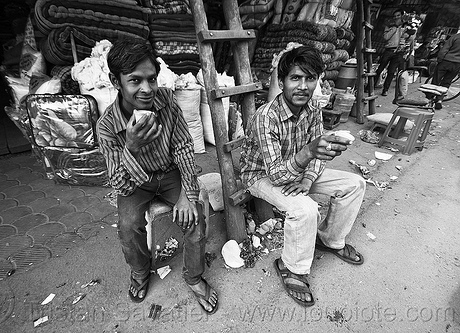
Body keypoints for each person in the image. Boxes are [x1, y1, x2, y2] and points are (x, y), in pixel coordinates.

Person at [96, 39, 218, 314]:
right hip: (135, 183)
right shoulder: (107, 126)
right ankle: (140, 272)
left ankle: (194, 276)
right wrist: (132, 148)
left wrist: (188, 193)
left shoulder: (166, 101)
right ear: (116, 82)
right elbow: (120, 184)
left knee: (194, 218)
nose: (147, 89)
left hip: (170, 172)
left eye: (151, 79)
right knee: (128, 225)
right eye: (135, 81)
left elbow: (184, 147)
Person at [240, 46, 366, 307]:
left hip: (298, 170)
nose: (303, 86)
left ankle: (330, 239)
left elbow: (317, 155)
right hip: (260, 175)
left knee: (355, 183)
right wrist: (308, 151)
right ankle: (291, 268)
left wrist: (308, 178)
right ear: (282, 81)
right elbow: (275, 174)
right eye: (295, 78)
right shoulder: (266, 117)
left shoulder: (312, 110)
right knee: (306, 210)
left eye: (310, 79)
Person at [374, 9, 408, 96]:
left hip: (398, 52)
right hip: (389, 50)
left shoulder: (406, 28)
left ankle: (385, 90)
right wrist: (394, 28)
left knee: (391, 72)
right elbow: (386, 37)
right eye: (395, 16)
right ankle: (371, 86)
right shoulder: (389, 26)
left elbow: (408, 39)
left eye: (398, 15)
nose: (396, 17)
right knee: (380, 69)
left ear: (402, 16)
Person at [432, 31, 460, 110]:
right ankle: (439, 100)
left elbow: (444, 49)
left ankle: (430, 98)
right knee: (447, 82)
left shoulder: (455, 37)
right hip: (457, 64)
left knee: (436, 80)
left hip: (446, 61)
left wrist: (439, 59)